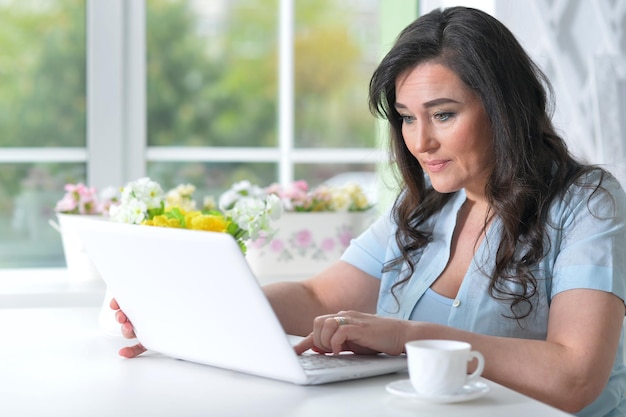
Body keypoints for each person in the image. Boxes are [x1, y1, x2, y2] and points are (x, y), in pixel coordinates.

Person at [111, 6, 626, 417]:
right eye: (406, 118)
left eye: (443, 115)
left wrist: (407, 338)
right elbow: (317, 296)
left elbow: (574, 377)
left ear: (503, 107)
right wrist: (190, 306)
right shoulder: (426, 206)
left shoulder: (588, 203)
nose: (420, 141)